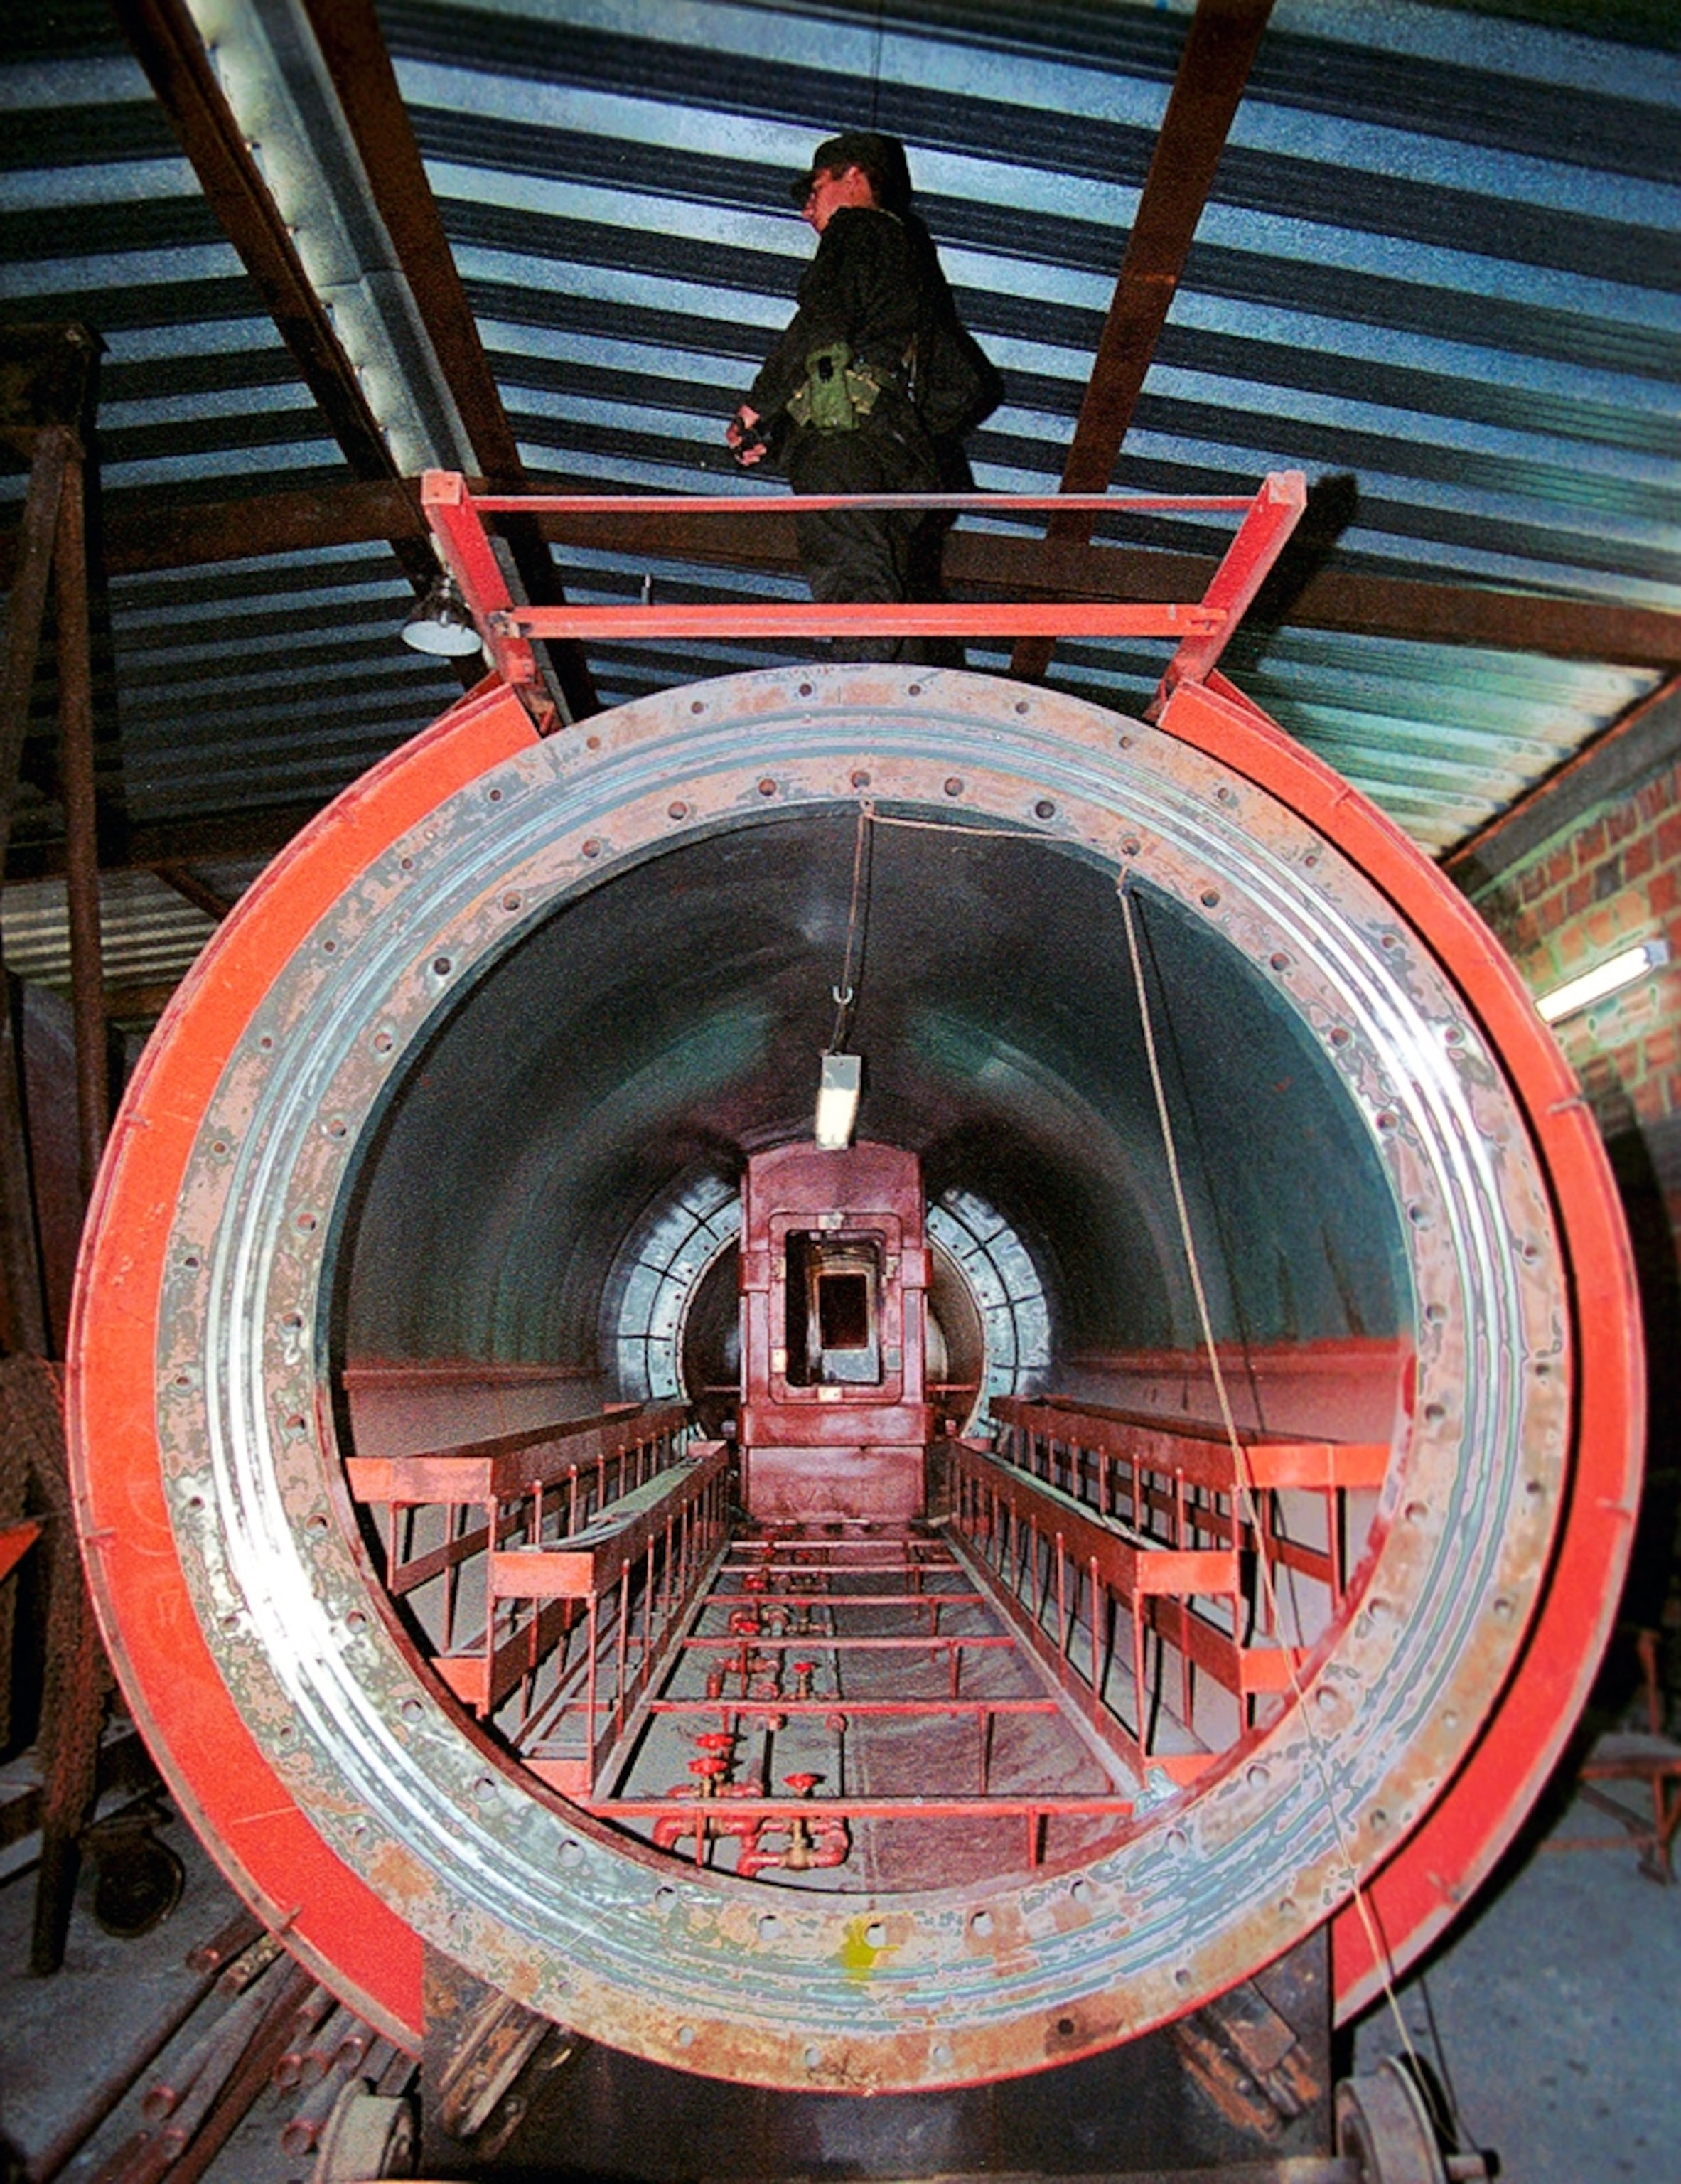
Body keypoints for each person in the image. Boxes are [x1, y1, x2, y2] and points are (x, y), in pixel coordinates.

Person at [726, 131, 1001, 663]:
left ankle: (863, 681)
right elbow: (967, 386)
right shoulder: (911, 272)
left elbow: (821, 324)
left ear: (853, 177)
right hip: (900, 460)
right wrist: (893, 418)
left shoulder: (855, 231)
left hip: (845, 447)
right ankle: (909, 700)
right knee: (892, 579)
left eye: (815, 188)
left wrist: (756, 409)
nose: (808, 209)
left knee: (850, 563)